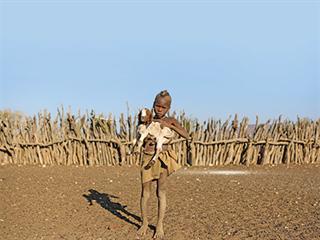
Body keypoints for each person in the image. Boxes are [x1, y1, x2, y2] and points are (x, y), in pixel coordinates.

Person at [137, 90, 189, 239]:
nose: (160, 109)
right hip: (147, 158)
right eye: (157, 106)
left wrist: (169, 126)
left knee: (161, 192)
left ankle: (159, 225)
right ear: (153, 105)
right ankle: (145, 222)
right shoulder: (148, 118)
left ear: (169, 108)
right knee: (145, 192)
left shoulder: (171, 120)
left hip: (163, 159)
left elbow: (186, 135)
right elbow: (139, 131)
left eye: (163, 107)